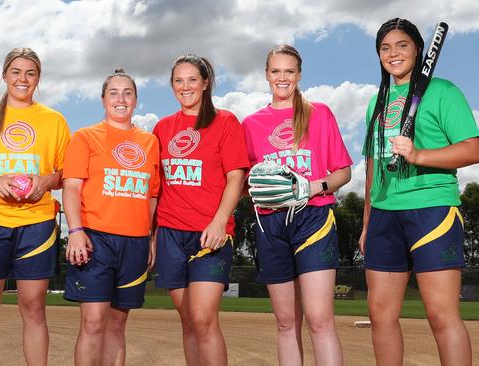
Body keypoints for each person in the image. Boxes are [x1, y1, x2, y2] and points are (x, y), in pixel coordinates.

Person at [360, 18, 478, 366]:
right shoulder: (376, 102)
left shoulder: (442, 91)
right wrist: (367, 222)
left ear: (417, 50)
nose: (393, 53)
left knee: (441, 315)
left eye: (402, 45)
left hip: (432, 209)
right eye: (385, 48)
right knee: (380, 315)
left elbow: (472, 147)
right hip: (383, 215)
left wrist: (419, 155)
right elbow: (372, 167)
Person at [0, 47, 70, 365]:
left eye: (30, 72)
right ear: (4, 75)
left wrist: (44, 182)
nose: (23, 78)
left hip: (37, 222)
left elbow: (65, 174)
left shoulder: (55, 120)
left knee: (33, 307)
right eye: (16, 71)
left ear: (38, 78)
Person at [242, 44, 351, 366]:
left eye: (289, 71)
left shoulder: (319, 113)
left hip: (313, 218)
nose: (282, 77)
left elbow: (343, 172)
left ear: (299, 75)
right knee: (286, 322)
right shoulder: (250, 123)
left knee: (319, 319)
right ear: (266, 75)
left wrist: (312, 186)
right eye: (276, 71)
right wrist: (256, 191)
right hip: (270, 224)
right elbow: (247, 181)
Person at [152, 54, 249, 366]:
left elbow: (236, 176)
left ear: (206, 83)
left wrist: (220, 222)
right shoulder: (163, 128)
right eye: (178, 80)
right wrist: (152, 234)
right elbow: (157, 186)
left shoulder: (225, 122)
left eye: (192, 79)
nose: (185, 86)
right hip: (170, 233)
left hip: (211, 235)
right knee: (188, 322)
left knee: (203, 318)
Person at [62, 69, 160, 366]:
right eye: (114, 93)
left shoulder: (149, 142)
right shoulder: (85, 137)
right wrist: (76, 231)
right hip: (95, 239)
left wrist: (150, 237)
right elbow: (71, 187)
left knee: (117, 324)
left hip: (135, 242)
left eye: (127, 92)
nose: (121, 99)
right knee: (93, 322)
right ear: (103, 99)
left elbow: (152, 195)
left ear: (136, 100)